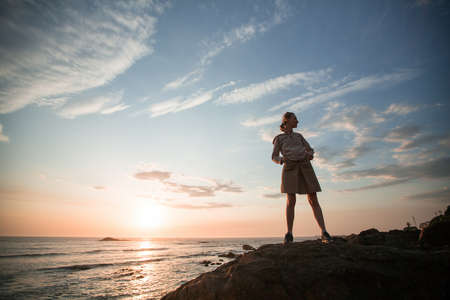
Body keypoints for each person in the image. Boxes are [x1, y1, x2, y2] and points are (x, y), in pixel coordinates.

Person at [271, 112, 332, 244]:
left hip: (305, 166)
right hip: (290, 168)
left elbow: (310, 150)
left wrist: (309, 155)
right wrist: (281, 160)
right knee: (291, 200)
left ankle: (324, 232)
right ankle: (289, 234)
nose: (297, 121)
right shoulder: (279, 138)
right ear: (287, 121)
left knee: (313, 197)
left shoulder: (299, 136)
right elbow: (274, 156)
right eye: (295, 119)